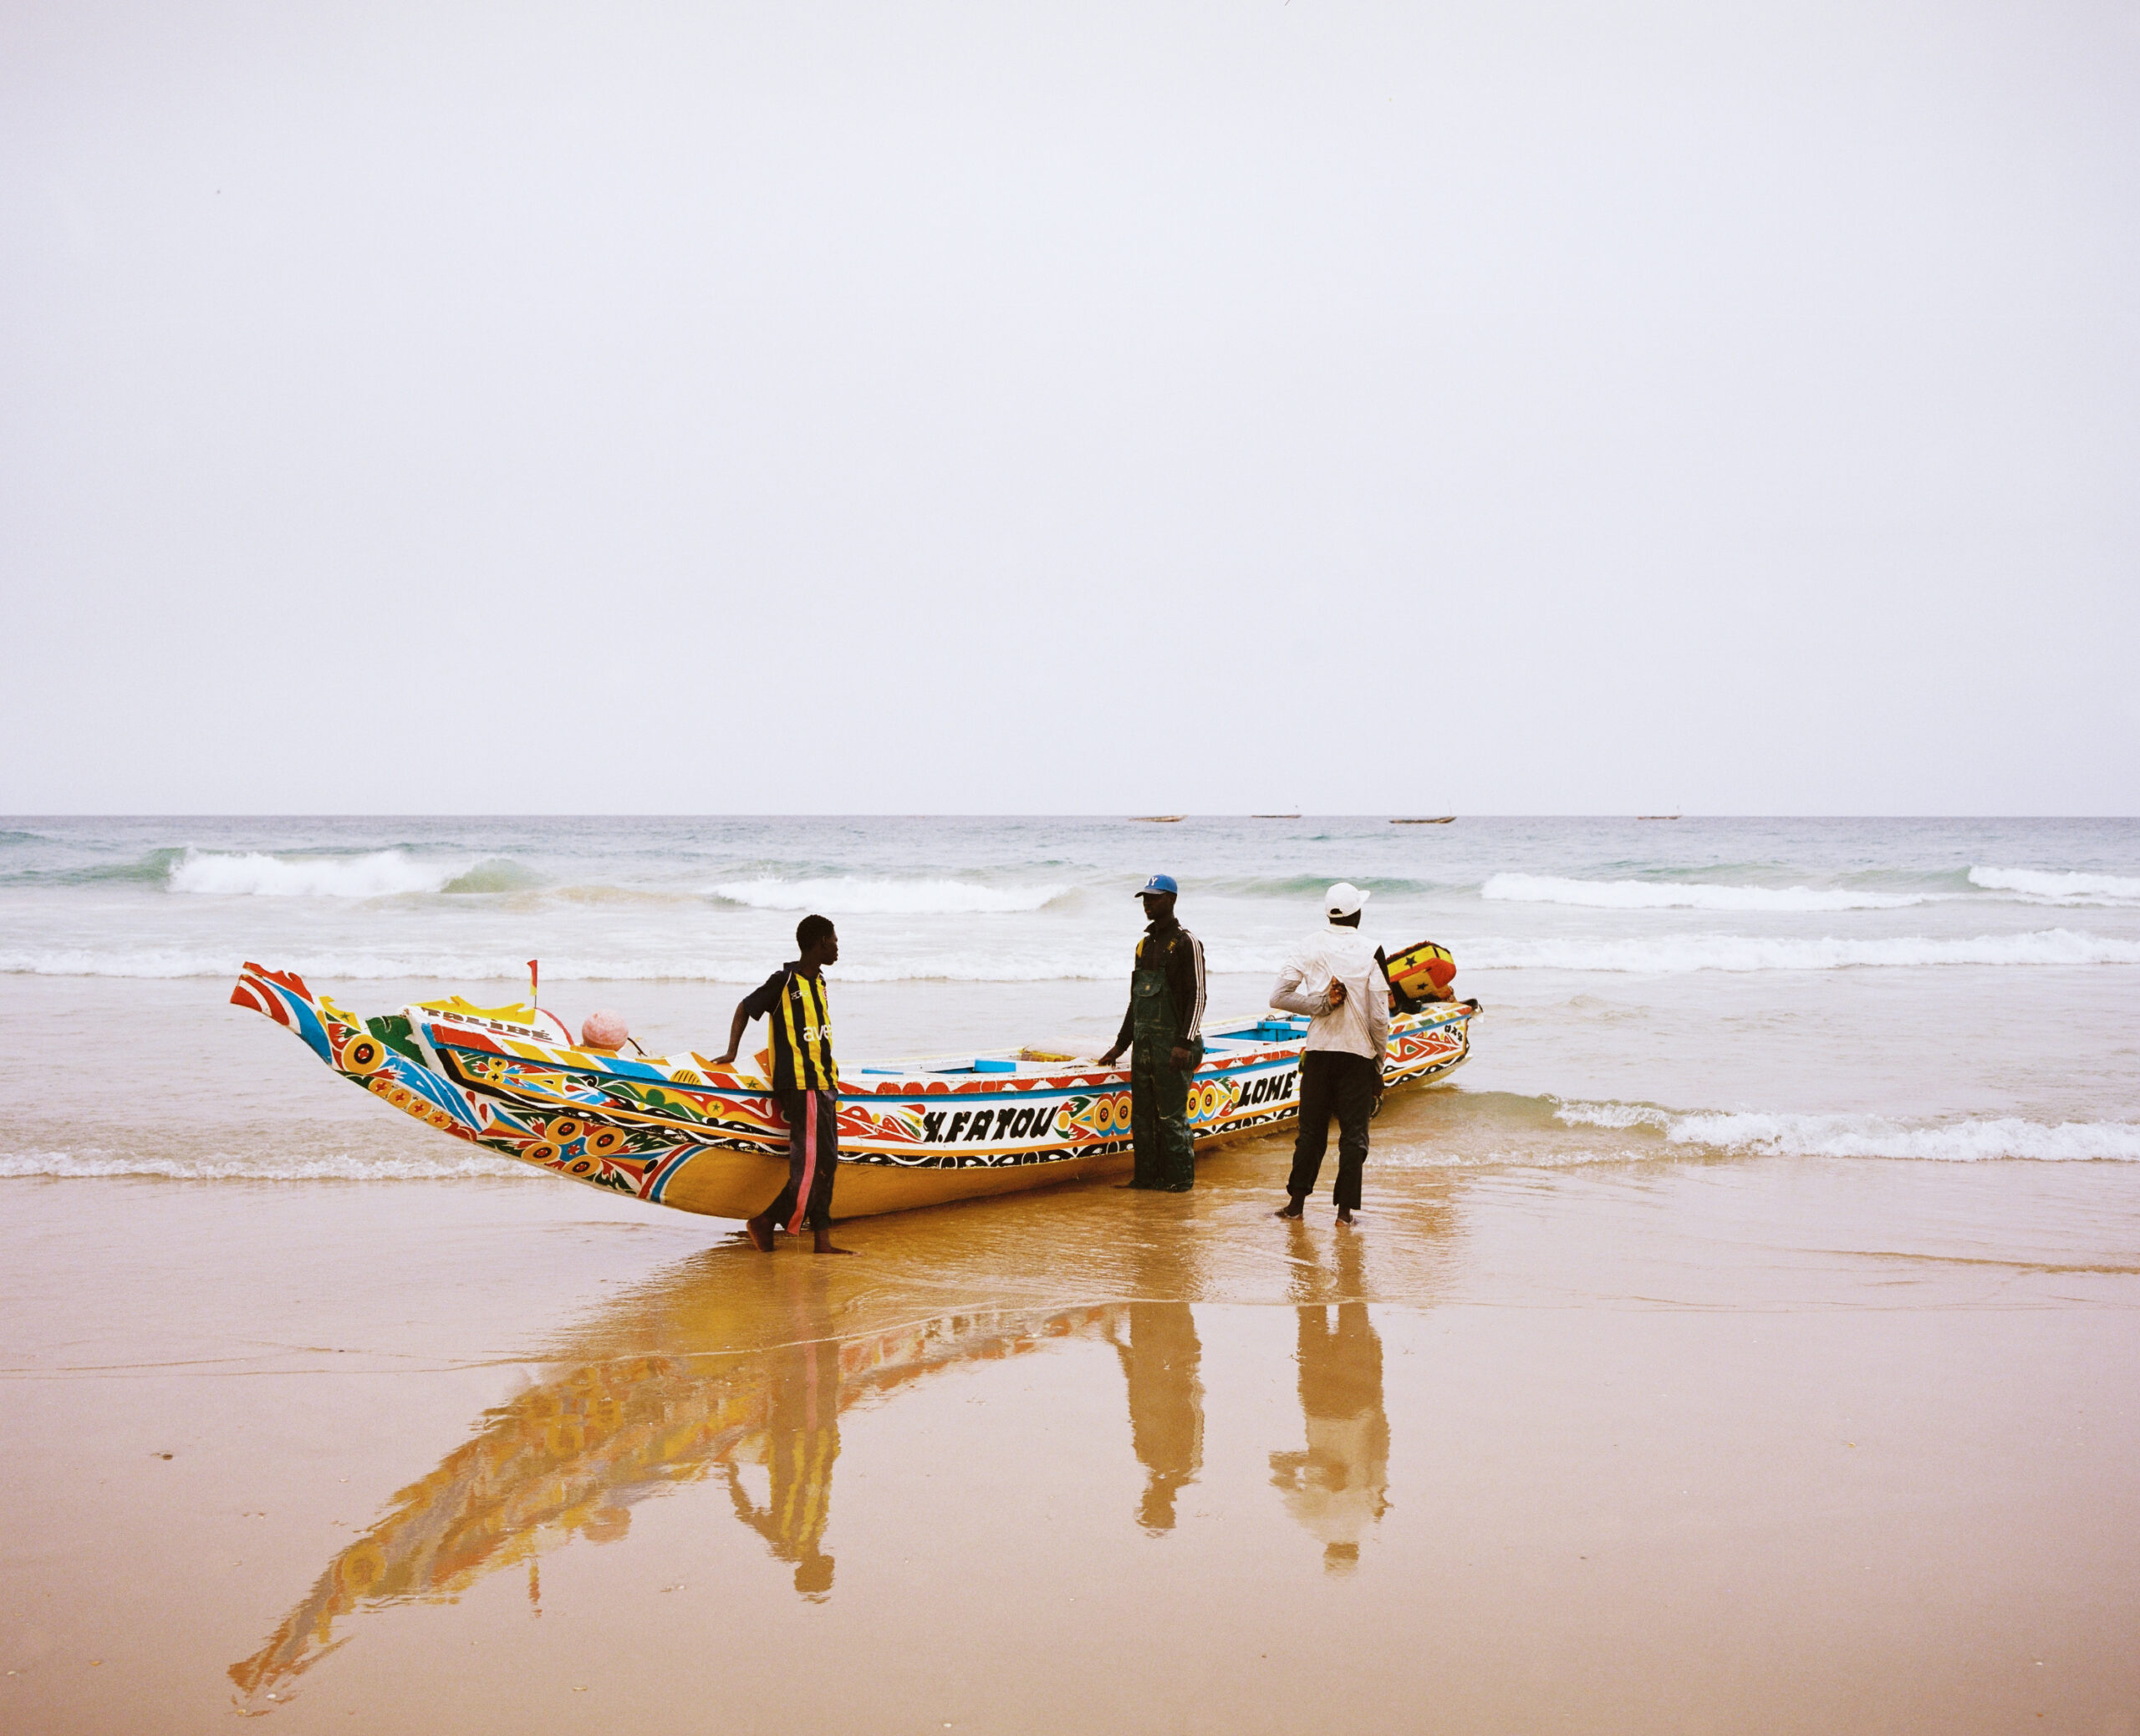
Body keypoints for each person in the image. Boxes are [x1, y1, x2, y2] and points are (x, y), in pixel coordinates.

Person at [711, 914, 855, 1255]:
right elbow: (745, 1008)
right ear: (821, 941)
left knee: (828, 1163)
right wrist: (732, 1051)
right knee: (807, 1167)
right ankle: (766, 1221)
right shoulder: (784, 981)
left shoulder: (819, 981)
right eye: (834, 940)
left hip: (823, 1082)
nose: (837, 947)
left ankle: (822, 1241)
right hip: (800, 1084)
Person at [1271, 881, 1392, 1224]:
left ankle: (1295, 1207)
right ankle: (1343, 1215)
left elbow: (1278, 996)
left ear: (1328, 913)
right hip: (1357, 1056)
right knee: (1353, 1137)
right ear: (1358, 913)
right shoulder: (1372, 950)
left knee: (1311, 1133)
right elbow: (1380, 1017)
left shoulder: (1308, 945)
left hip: (1320, 1053)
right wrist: (1378, 1065)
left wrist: (1319, 1005)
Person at [1095, 873, 1208, 1192]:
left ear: (1171, 900)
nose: (1147, 903)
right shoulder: (1143, 945)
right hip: (1143, 1046)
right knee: (1143, 1118)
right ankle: (1145, 1179)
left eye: (1154, 897)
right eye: (1145, 897)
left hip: (1173, 1046)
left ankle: (1179, 1182)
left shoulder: (1187, 942)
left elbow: (1198, 997)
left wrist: (1184, 1044)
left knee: (1171, 1118)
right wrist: (1120, 1046)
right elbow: (1137, 1001)